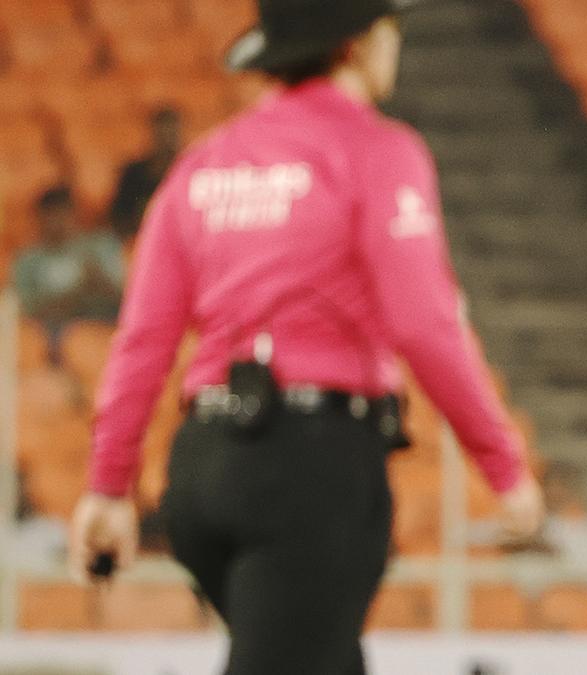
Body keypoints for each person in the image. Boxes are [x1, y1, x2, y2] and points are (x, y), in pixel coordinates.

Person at [67, 1, 545, 673]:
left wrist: (109, 486)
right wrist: (504, 465)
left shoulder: (203, 165)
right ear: (358, 44)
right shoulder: (379, 150)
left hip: (202, 470)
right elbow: (424, 323)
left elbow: (143, 339)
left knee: (316, 655)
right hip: (311, 469)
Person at [13, 184, 124, 354]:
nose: (56, 222)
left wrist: (97, 278)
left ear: (74, 213)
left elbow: (122, 297)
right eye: (50, 215)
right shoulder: (28, 260)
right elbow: (28, 311)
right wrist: (73, 296)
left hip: (101, 324)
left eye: (62, 214)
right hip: (53, 336)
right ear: (39, 218)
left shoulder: (100, 246)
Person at [109, 107, 183, 241]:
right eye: (162, 134)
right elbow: (118, 218)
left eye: (171, 134)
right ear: (153, 135)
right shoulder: (134, 174)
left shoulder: (187, 173)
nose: (167, 142)